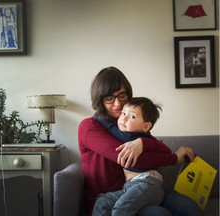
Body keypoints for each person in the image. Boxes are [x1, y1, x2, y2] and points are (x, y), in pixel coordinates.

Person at [78, 66, 201, 216]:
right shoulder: (89, 126)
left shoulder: (129, 125)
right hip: (111, 200)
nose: (117, 104)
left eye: (122, 96)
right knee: (158, 214)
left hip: (140, 189)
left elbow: (161, 147)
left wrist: (142, 143)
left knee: (188, 206)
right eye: (109, 98)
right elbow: (131, 160)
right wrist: (174, 158)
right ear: (100, 99)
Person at [92, 97, 193, 216]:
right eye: (123, 113)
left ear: (146, 127)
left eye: (132, 116)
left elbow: (167, 152)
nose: (123, 118)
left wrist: (143, 142)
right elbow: (109, 126)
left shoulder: (143, 138)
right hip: (130, 186)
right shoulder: (123, 134)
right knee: (102, 202)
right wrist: (99, 114)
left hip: (148, 184)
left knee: (120, 210)